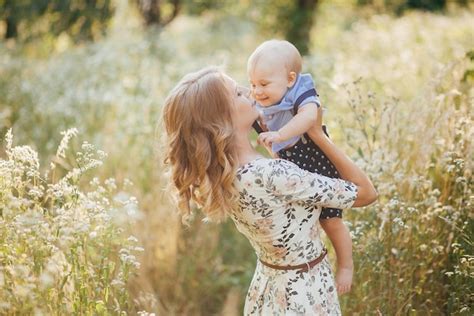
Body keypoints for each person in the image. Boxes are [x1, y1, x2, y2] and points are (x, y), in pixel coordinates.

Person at [162, 67, 377, 315]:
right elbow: (366, 192)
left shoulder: (223, 173)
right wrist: (317, 134)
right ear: (221, 119)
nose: (249, 91)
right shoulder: (272, 174)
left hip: (268, 289)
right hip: (304, 295)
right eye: (238, 93)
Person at [248, 39, 354, 294]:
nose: (257, 91)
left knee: (330, 220)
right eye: (252, 84)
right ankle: (310, 265)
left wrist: (281, 135)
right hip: (287, 162)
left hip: (313, 156)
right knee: (300, 220)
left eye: (263, 84)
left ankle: (346, 266)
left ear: (290, 78)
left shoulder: (302, 89)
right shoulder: (259, 99)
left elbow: (309, 118)